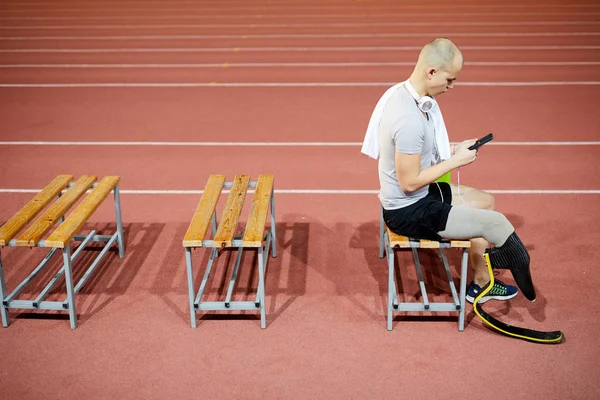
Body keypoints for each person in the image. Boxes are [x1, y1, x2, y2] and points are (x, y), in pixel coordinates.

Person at [371, 38, 535, 304]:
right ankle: (495, 276)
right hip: (408, 211)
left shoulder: (406, 94)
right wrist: (456, 161)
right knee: (494, 223)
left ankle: (480, 282)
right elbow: (409, 183)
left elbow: (420, 151)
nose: (452, 86)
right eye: (449, 80)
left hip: (419, 197)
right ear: (431, 71)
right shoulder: (408, 119)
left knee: (486, 201)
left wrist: (453, 148)